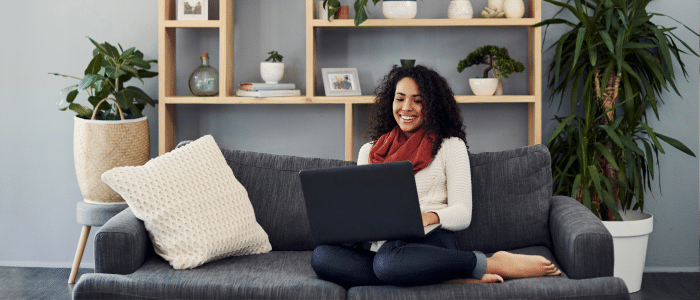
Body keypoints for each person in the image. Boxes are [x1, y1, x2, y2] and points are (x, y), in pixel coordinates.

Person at [310, 65, 561, 287]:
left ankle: (492, 262)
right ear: (391, 102)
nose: (406, 108)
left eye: (418, 101)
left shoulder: (449, 146)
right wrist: (351, 224)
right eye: (400, 99)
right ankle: (447, 275)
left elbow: (463, 213)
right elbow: (365, 210)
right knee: (323, 257)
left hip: (430, 242)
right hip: (383, 248)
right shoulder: (369, 151)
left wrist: (427, 217)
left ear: (432, 105)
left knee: (388, 264)